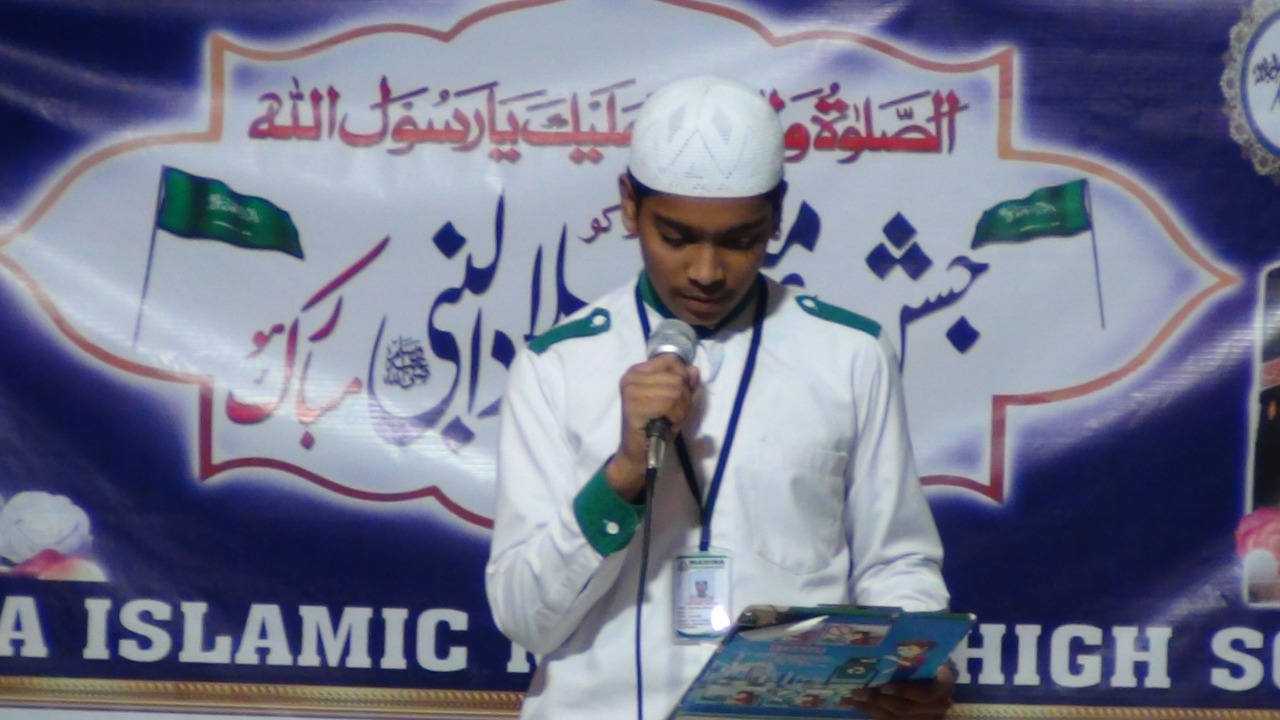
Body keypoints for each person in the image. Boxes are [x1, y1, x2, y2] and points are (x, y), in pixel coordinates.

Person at [486, 75, 953, 720]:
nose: (707, 272)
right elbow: (522, 616)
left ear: (777, 217)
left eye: (739, 241)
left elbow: (896, 562)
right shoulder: (555, 366)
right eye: (677, 238)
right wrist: (624, 473)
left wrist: (919, 663)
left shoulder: (850, 354)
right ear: (629, 207)